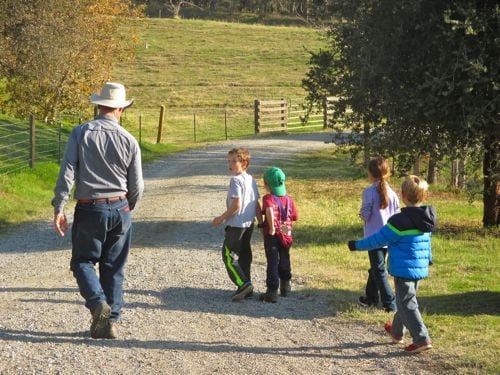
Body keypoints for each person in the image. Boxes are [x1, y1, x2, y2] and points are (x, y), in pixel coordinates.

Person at [52, 82, 144, 339]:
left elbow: (67, 174)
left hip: (90, 208)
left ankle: (97, 305)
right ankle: (110, 319)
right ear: (121, 109)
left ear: (99, 106)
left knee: (82, 261)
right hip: (120, 206)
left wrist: (60, 207)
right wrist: (128, 205)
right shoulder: (129, 139)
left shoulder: (81, 133)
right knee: (114, 266)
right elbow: (137, 183)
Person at [348, 175, 436, 353]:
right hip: (419, 266)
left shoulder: (398, 222)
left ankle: (421, 338)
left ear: (403, 195)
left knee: (407, 303)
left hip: (403, 269)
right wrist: (428, 259)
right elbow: (427, 242)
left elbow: (378, 240)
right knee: (405, 301)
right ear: (423, 196)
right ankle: (397, 331)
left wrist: (356, 245)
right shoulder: (427, 219)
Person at [212, 148, 262, 301]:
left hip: (236, 225)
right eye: (229, 161)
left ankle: (244, 284)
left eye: (234, 161)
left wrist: (221, 218)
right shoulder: (251, 179)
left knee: (228, 255)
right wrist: (261, 222)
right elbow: (257, 204)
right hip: (248, 224)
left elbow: (236, 205)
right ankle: (247, 285)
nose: (230, 164)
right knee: (244, 255)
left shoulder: (235, 180)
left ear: (244, 163)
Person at [357, 157, 399, 312]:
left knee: (379, 270)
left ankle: (390, 303)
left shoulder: (368, 192)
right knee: (377, 267)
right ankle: (371, 298)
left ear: (370, 173)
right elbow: (397, 215)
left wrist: (361, 214)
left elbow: (366, 215)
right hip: (389, 236)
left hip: (373, 238)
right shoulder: (393, 194)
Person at [259, 167, 298, 303]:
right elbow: (294, 216)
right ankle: (286, 286)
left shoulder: (268, 198)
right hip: (285, 229)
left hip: (273, 231)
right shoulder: (289, 199)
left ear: (267, 184)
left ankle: (272, 291)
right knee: (285, 256)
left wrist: (272, 228)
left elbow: (269, 210)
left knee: (273, 261)